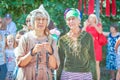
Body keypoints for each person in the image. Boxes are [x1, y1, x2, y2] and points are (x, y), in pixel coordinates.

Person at [14, 5, 60, 80]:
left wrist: (51, 52)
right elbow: (20, 63)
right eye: (38, 19)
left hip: (45, 76)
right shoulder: (25, 38)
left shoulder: (51, 40)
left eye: (44, 19)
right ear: (33, 21)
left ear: (46, 22)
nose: (41, 22)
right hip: (26, 76)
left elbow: (54, 66)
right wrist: (32, 52)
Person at [57, 8, 96, 80]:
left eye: (73, 18)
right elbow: (60, 62)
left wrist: (95, 77)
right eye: (68, 19)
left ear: (79, 20)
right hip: (67, 75)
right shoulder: (62, 40)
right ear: (66, 22)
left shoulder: (88, 37)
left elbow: (92, 59)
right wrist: (58, 77)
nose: (71, 21)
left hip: (85, 75)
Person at [83, 14, 103, 80]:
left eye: (93, 18)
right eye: (90, 17)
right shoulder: (87, 26)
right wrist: (85, 26)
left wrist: (95, 25)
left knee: (96, 64)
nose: (91, 19)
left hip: (97, 46)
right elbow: (81, 33)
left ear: (95, 19)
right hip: (88, 46)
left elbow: (100, 32)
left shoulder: (98, 25)